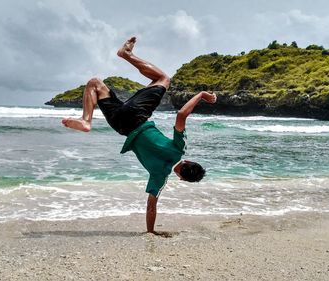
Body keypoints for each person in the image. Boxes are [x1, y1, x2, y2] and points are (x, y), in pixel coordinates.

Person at [62, 37, 216, 235]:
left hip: (137, 115)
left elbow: (181, 115)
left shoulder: (179, 148)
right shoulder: (159, 177)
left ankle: (125, 58)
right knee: (94, 84)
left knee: (163, 80)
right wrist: (151, 232)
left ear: (187, 160)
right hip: (120, 126)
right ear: (181, 177)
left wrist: (202, 95)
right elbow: (151, 206)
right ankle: (86, 122)